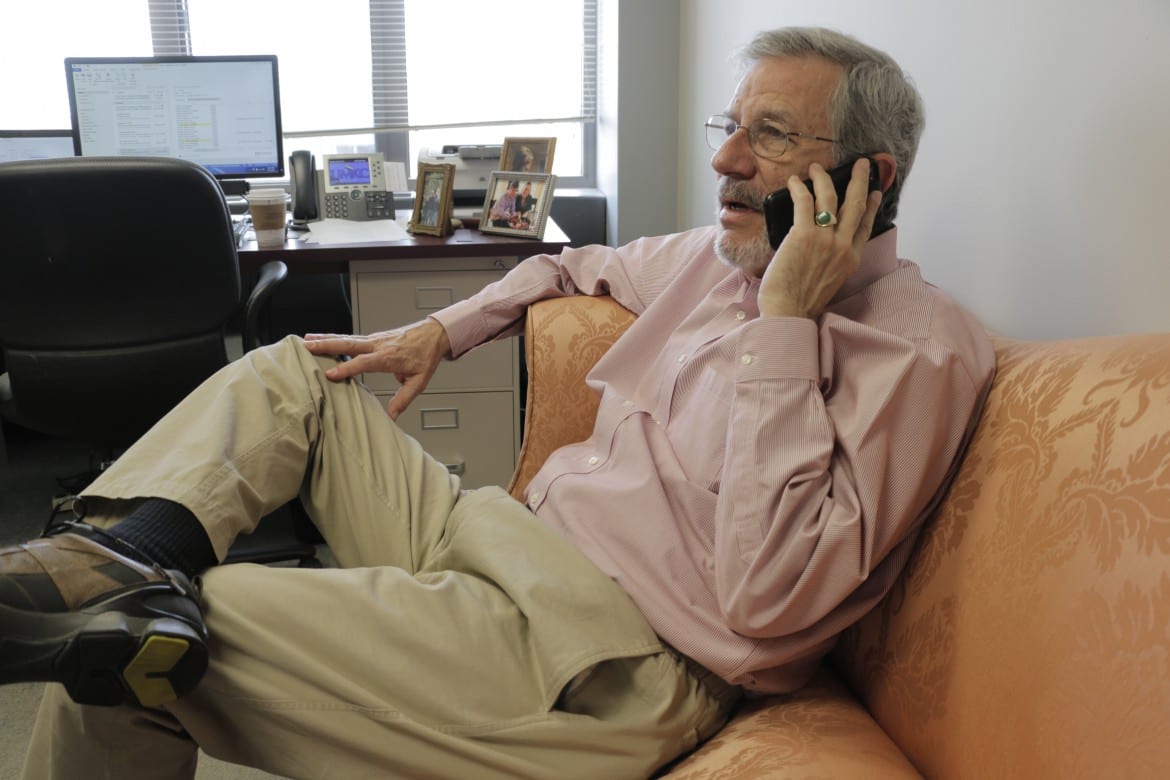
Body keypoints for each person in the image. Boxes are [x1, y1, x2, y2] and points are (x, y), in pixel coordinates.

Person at [0, 26, 995, 780]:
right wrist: (445, 329)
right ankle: (119, 548)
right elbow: (571, 265)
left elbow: (765, 600)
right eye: (729, 127)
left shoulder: (917, 353)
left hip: (613, 656)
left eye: (769, 136)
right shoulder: (714, 260)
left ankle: (104, 585)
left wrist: (787, 324)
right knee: (294, 368)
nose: (727, 161)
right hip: (508, 540)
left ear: (871, 177)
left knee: (141, 633)